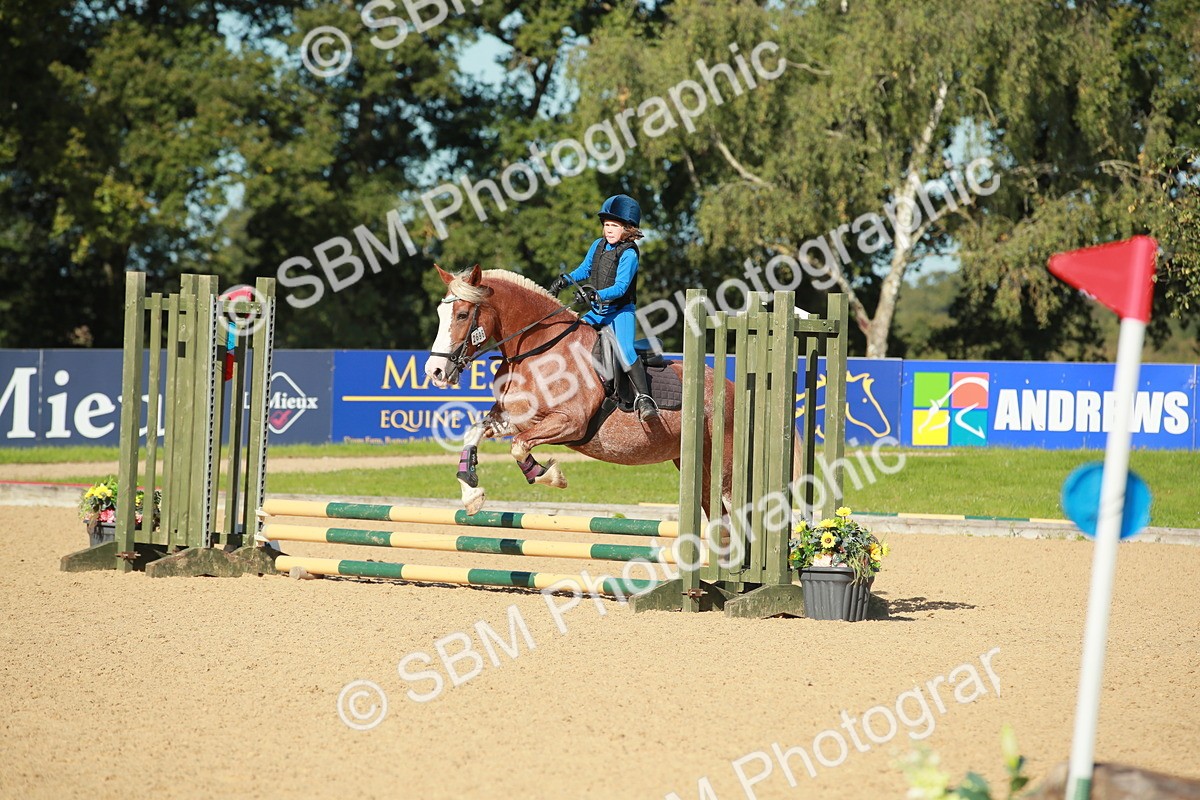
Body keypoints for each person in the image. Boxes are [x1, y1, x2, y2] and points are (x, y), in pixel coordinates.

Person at [548, 194, 659, 421]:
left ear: (628, 228)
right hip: (598, 311)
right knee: (571, 333)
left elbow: (620, 288)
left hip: (621, 312)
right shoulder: (597, 246)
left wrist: (595, 294)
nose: (608, 230)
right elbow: (584, 270)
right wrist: (565, 279)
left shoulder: (629, 253)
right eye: (606, 225)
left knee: (625, 350)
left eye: (614, 225)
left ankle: (645, 398)